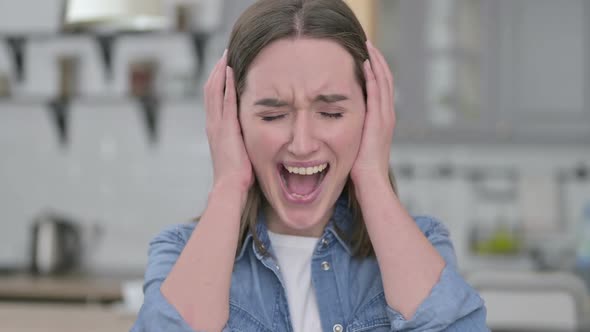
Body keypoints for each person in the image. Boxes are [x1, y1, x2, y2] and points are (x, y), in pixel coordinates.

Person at [131, 0, 488, 331]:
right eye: (272, 115)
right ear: (233, 120)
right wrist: (228, 183)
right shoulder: (178, 252)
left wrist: (371, 177)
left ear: (371, 114)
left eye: (331, 113)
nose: (302, 144)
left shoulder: (423, 243)